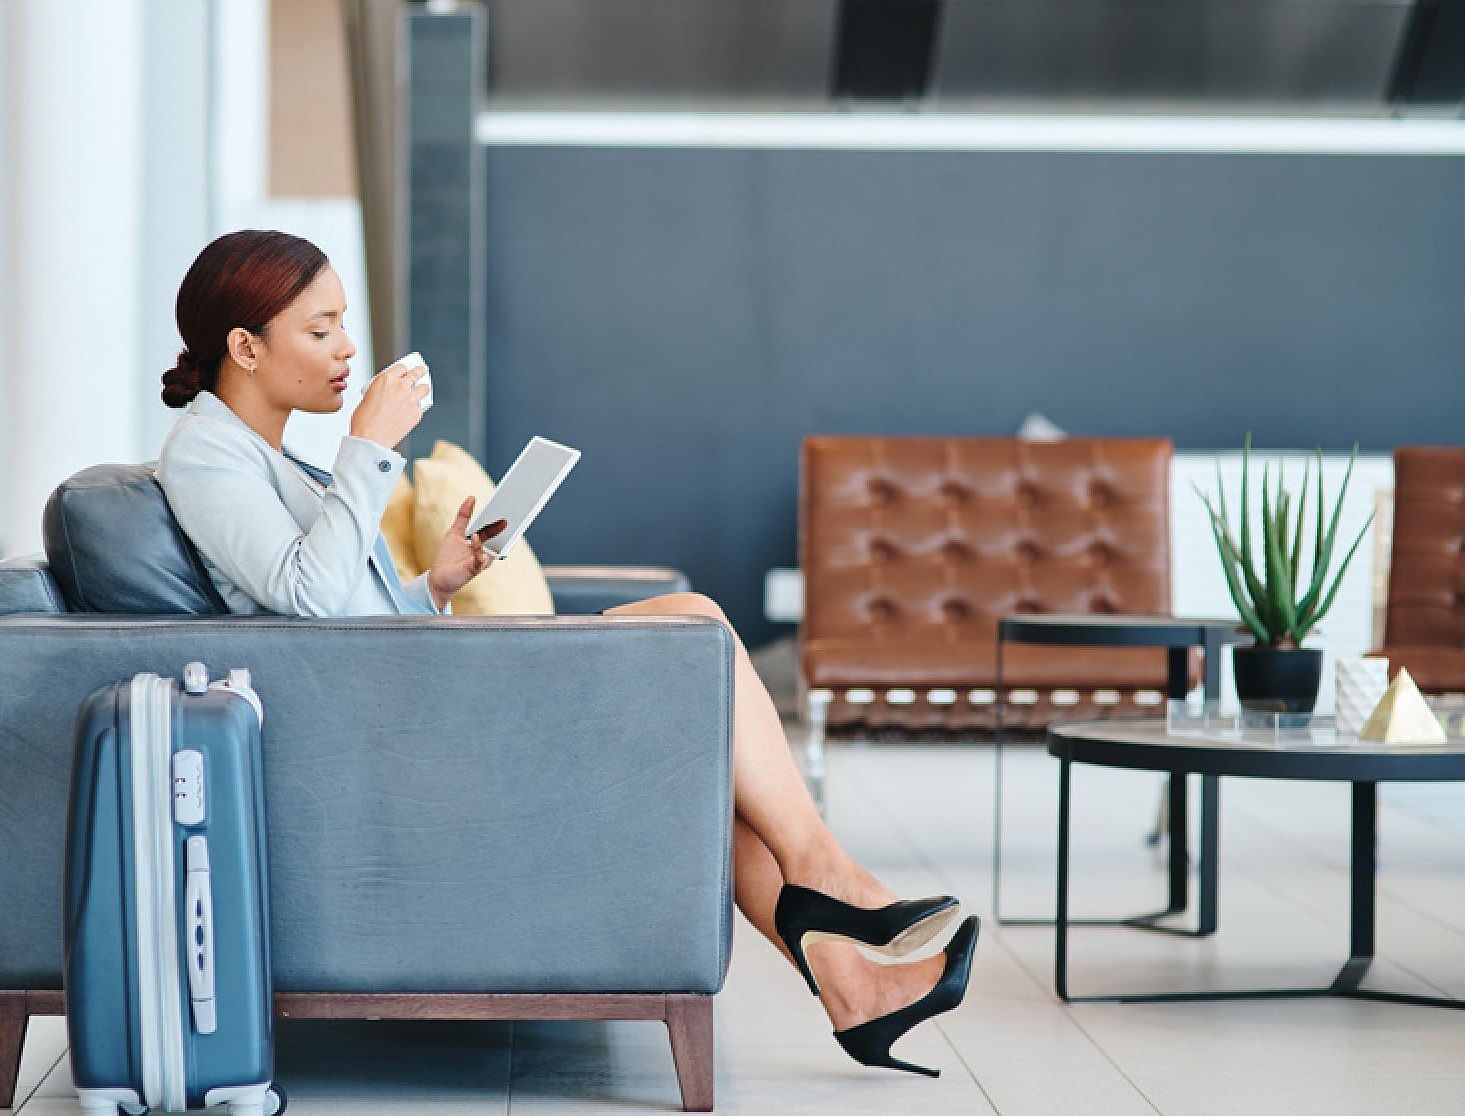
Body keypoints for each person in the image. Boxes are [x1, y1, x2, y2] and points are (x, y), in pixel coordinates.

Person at [155, 230, 979, 1075]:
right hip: (395, 733)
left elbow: (337, 612)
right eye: (321, 329)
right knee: (692, 621)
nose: (349, 348)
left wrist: (432, 585)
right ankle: (830, 879)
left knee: (701, 724)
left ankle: (856, 988)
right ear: (246, 347)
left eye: (343, 325)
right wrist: (369, 450)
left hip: (406, 694)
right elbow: (307, 602)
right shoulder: (206, 457)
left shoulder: (267, 456)